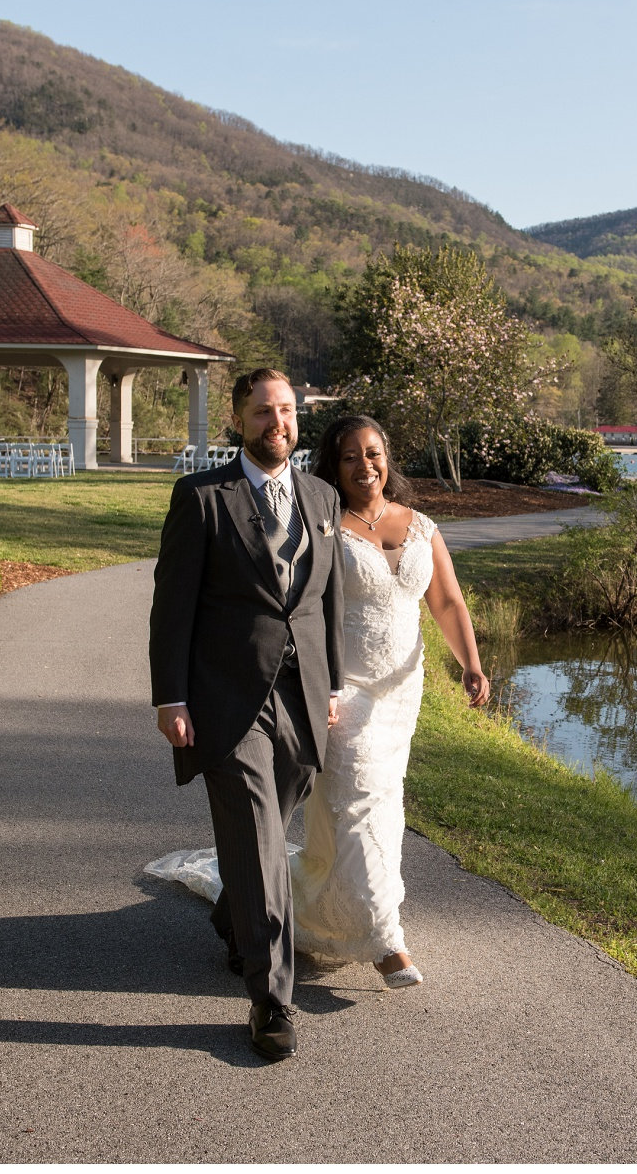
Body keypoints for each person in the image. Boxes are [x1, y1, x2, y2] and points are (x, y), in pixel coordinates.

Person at [148, 414, 489, 998]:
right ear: (333, 463)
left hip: (401, 693)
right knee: (355, 799)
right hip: (341, 688)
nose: (366, 465)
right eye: (351, 456)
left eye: (374, 453)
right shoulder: (322, 519)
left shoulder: (422, 526)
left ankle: (280, 902)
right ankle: (385, 938)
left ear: (388, 457)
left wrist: (472, 664)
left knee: (380, 807)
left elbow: (449, 602)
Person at [147, 368, 343, 1063]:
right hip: (226, 698)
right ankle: (271, 1000)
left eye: (286, 411)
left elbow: (326, 602)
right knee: (259, 830)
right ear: (238, 421)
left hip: (302, 697)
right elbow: (172, 606)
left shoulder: (321, 496)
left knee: (266, 828)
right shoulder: (201, 497)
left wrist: (334, 686)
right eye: (263, 413)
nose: (277, 424)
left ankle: (237, 917)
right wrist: (171, 697)